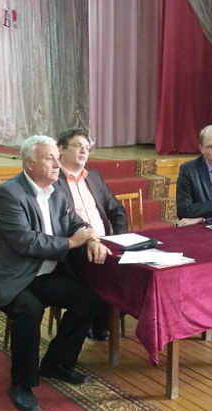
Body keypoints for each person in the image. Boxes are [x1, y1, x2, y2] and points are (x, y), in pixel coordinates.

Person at [0, 135, 112, 411]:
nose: (56, 164)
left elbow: (76, 222)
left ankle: (56, 363)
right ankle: (21, 383)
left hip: (43, 273)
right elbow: (26, 241)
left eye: (57, 158)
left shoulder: (56, 191)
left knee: (89, 299)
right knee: (29, 309)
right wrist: (72, 243)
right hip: (13, 277)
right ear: (30, 164)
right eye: (50, 158)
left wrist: (91, 239)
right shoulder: (8, 194)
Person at [55, 128, 127, 341]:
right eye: (78, 146)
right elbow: (62, 221)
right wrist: (88, 241)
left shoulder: (94, 177)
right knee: (106, 274)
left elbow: (117, 210)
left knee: (133, 273)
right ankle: (96, 319)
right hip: (75, 247)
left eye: (87, 148)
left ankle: (102, 318)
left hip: (107, 242)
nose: (84, 151)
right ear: (61, 149)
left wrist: (120, 239)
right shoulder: (54, 180)